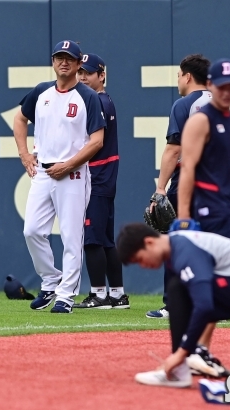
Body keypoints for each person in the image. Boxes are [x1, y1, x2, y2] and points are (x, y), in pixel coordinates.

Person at [169, 59, 230, 376]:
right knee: (215, 282)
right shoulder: (200, 120)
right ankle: (197, 349)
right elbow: (188, 168)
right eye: (221, 86)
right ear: (210, 85)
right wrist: (183, 219)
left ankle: (200, 349)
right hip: (208, 212)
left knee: (225, 282)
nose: (227, 91)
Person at [116, 223, 230, 388]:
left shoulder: (184, 251)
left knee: (178, 288)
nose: (142, 266)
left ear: (149, 242)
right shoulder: (176, 246)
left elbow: (204, 306)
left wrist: (181, 353)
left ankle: (180, 369)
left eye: (139, 259)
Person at [14, 41, 106, 314]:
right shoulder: (42, 91)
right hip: (43, 170)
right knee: (31, 230)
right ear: (53, 62)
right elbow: (20, 119)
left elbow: (97, 141)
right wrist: (24, 154)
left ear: (79, 65)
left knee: (71, 236)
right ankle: (51, 279)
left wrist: (68, 165)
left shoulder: (87, 96)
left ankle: (66, 295)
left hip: (73, 173)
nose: (63, 62)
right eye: (59, 57)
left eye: (69, 58)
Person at [146, 54, 212, 320]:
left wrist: (160, 189)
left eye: (178, 75)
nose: (178, 80)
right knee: (210, 243)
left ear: (187, 76)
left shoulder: (185, 104)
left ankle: (174, 304)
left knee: (178, 242)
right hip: (218, 185)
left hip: (189, 182)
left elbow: (174, 150)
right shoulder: (221, 103)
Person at [72, 53, 128, 310]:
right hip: (105, 177)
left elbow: (94, 143)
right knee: (105, 239)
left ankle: (98, 294)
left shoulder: (96, 101)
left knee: (92, 238)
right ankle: (116, 294)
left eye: (88, 73)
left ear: (101, 75)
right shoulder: (104, 100)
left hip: (96, 177)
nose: (82, 77)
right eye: (80, 72)